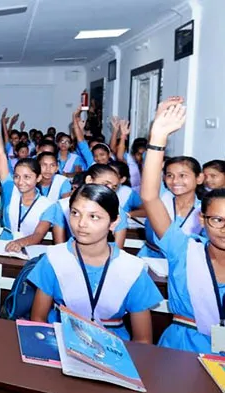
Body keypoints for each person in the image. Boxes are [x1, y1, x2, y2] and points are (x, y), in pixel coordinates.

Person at [139, 97, 225, 354]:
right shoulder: (184, 249)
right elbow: (149, 197)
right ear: (203, 219)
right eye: (217, 220)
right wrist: (158, 137)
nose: (224, 228)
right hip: (181, 347)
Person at [29, 184, 162, 342]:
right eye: (75, 213)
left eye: (94, 217)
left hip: (114, 349)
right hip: (60, 341)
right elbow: (38, 319)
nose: (81, 224)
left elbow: (143, 340)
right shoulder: (54, 258)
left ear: (113, 223)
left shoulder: (132, 269)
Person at [0, 93, 57, 252]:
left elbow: (38, 235)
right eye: (16, 176)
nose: (20, 181)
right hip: (4, 243)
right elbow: (1, 153)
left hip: (29, 248)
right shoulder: (11, 188)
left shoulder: (47, 206)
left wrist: (20, 243)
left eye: (27, 177)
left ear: (38, 177)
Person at [138, 153, 204, 258]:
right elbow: (149, 180)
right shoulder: (159, 198)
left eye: (182, 175)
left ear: (199, 178)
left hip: (184, 264)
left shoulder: (204, 209)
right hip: (150, 258)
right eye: (169, 175)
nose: (175, 181)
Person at [51, 164, 131, 248]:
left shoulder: (118, 211)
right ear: (89, 180)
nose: (109, 190)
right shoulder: (63, 206)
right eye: (106, 184)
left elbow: (118, 249)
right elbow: (59, 247)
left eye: (114, 187)